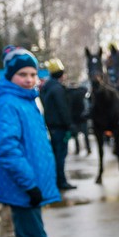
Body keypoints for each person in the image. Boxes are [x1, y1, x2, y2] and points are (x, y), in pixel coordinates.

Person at [0, 47, 83, 237]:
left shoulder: (25, 99)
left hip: (25, 187)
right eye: (22, 74)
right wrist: (30, 184)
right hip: (23, 188)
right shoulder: (10, 102)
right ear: (10, 75)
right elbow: (6, 148)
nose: (29, 79)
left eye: (33, 74)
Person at [40, 58, 76, 190]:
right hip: (60, 127)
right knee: (60, 156)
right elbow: (63, 109)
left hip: (52, 126)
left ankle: (57, 181)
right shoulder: (57, 89)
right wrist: (69, 125)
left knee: (56, 155)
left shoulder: (46, 88)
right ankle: (61, 182)